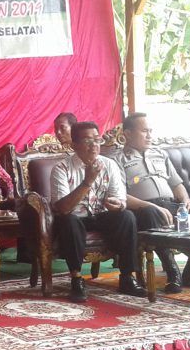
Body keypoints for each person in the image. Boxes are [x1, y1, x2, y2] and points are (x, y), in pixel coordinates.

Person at [51, 121, 148, 303]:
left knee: (127, 216)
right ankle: (77, 279)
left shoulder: (109, 165)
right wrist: (87, 181)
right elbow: (62, 208)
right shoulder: (61, 168)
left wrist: (117, 205)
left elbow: (120, 200)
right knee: (68, 220)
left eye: (97, 140)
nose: (94, 145)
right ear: (74, 145)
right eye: (87, 141)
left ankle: (127, 277)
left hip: (101, 215)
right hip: (75, 217)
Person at [114, 112, 190, 293]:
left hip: (171, 205)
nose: (150, 135)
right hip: (143, 209)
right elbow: (120, 195)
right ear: (128, 134)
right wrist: (153, 206)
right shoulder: (117, 160)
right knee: (151, 213)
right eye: (144, 131)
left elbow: (176, 184)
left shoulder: (160, 154)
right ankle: (173, 272)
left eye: (151, 131)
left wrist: (186, 200)